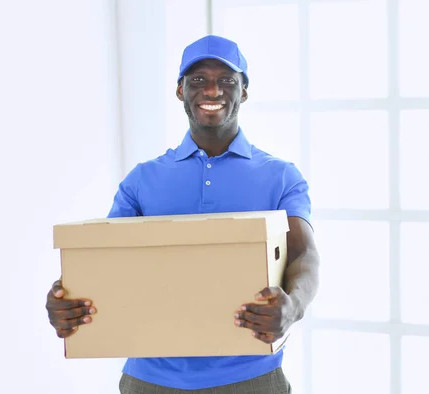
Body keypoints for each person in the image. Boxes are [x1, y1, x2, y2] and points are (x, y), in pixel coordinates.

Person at [46, 35, 320, 393]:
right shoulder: (142, 180)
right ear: (180, 90)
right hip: (149, 381)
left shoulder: (281, 176)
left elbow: (304, 254)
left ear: (244, 91)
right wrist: (63, 303)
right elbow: (104, 263)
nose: (212, 90)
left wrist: (293, 306)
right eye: (197, 80)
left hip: (251, 379)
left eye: (226, 80)